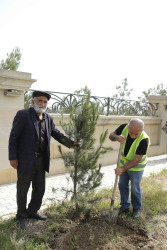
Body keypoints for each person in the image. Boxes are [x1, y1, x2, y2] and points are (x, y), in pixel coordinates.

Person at [9, 90, 80, 230]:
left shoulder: (48, 117)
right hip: (25, 160)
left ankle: (33, 211)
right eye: (39, 101)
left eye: (45, 102)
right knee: (23, 189)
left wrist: (71, 143)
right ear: (33, 101)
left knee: (39, 188)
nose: (42, 104)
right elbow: (14, 137)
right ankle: (21, 216)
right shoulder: (23, 115)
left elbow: (56, 133)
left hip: (41, 160)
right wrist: (13, 157)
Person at [109, 118, 150, 218]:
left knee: (135, 187)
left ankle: (136, 208)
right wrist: (117, 137)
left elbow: (137, 159)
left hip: (136, 167)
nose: (133, 136)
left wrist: (123, 169)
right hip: (123, 163)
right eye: (131, 132)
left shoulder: (144, 139)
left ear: (142, 130)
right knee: (122, 184)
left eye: (136, 134)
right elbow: (111, 135)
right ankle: (125, 206)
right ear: (128, 127)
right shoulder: (124, 127)